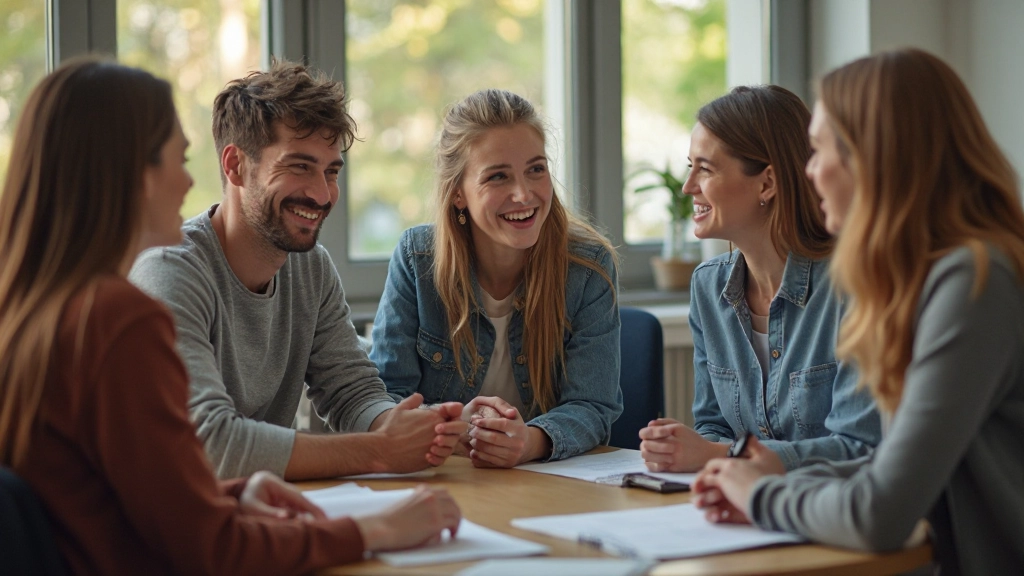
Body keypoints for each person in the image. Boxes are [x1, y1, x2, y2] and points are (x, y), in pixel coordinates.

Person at [0, 58, 461, 576]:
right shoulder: (119, 316)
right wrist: (374, 527)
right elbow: (211, 543)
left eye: (331, 170)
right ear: (128, 174)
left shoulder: (39, 304)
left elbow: (111, 493)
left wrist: (234, 492)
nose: (187, 181)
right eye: (178, 159)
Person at [693, 49, 1024, 575]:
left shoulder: (972, 282)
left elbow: (879, 514)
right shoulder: (919, 279)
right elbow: (886, 470)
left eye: (820, 150)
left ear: (876, 158)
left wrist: (761, 495)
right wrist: (768, 480)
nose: (810, 171)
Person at [129, 60, 467, 480]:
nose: (322, 194)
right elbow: (208, 443)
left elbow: (352, 391)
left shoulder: (310, 267)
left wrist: (420, 428)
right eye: (299, 167)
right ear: (235, 165)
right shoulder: (169, 273)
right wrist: (378, 450)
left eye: (331, 171)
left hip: (258, 510)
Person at [369, 89, 622, 468]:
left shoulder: (588, 267)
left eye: (536, 169)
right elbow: (387, 397)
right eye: (498, 177)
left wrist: (528, 442)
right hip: (446, 477)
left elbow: (593, 406)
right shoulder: (417, 259)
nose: (523, 194)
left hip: (546, 482)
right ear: (458, 194)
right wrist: (454, 424)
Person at [639, 85, 881, 473]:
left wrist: (720, 456)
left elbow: (860, 448)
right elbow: (713, 425)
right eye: (690, 167)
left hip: (831, 512)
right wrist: (685, 448)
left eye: (706, 168)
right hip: (748, 507)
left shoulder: (855, 286)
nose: (688, 188)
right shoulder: (707, 287)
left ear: (766, 183)